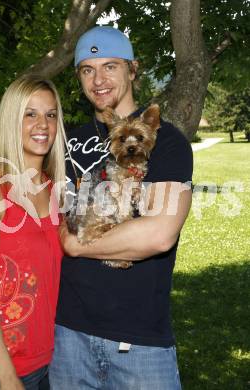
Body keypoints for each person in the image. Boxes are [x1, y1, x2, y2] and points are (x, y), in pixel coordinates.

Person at [49, 26, 193, 389]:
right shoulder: (63, 140)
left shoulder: (166, 142)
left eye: (110, 66)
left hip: (139, 338)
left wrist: (76, 244)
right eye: (87, 69)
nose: (98, 80)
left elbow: (157, 235)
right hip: (65, 332)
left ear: (132, 69)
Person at [0, 76, 66, 390]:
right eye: (30, 113)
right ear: (11, 120)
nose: (43, 124)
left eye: (50, 115)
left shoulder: (56, 190)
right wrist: (7, 377)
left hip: (57, 360)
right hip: (6, 370)